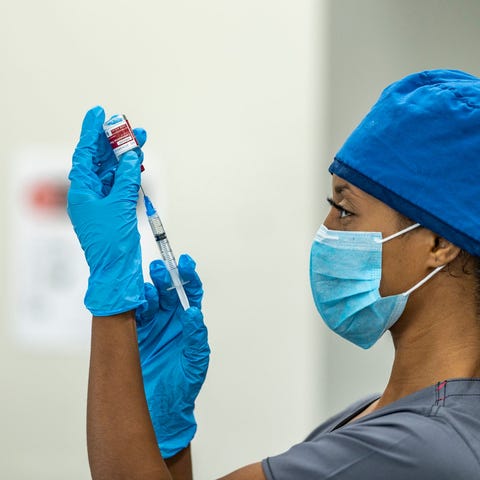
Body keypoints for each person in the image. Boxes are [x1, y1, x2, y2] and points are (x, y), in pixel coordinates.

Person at [67, 69, 480, 480]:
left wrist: (112, 298)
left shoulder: (418, 447)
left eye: (345, 210)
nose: (326, 231)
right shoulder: (389, 416)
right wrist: (163, 435)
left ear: (438, 244)